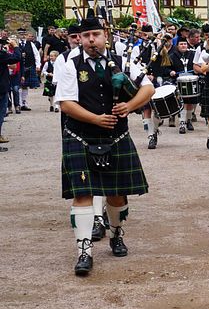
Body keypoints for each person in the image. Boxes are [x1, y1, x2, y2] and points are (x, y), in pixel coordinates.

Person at [55, 17, 154, 276]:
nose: (90, 40)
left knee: (117, 194)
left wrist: (129, 106)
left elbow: (149, 88)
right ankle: (84, 251)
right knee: (83, 195)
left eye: (95, 34)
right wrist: (95, 119)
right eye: (85, 35)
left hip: (116, 138)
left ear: (105, 35)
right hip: (81, 136)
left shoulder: (123, 62)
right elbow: (65, 103)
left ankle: (116, 234)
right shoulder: (70, 65)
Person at [168, 38, 197, 134]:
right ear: (177, 46)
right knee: (182, 103)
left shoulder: (193, 55)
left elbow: (198, 65)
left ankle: (188, 120)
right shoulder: (172, 56)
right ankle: (182, 123)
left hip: (191, 80)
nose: (183, 45)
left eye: (185, 44)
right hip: (178, 81)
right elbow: (166, 68)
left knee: (190, 103)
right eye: (181, 44)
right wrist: (170, 72)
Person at [0, 37, 22, 150]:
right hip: (1, 89)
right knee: (0, 114)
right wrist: (15, 45)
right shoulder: (2, 55)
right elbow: (17, 57)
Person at [17, 27, 41, 110]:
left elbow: (36, 55)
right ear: (18, 35)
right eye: (20, 34)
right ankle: (18, 103)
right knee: (18, 86)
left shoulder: (30, 44)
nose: (22, 35)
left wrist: (38, 65)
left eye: (24, 34)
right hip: (18, 68)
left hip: (29, 66)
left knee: (25, 86)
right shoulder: (15, 43)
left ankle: (24, 103)